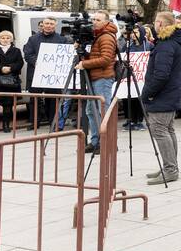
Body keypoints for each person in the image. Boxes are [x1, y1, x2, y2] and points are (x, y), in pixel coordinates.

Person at [142, 12, 181, 185]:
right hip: (170, 92)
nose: (154, 24)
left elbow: (161, 75)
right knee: (168, 130)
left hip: (163, 94)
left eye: (155, 22)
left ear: (161, 24)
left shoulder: (166, 45)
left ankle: (170, 169)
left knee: (160, 130)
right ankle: (171, 166)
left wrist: (147, 94)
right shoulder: (173, 42)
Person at [74, 11, 118, 155]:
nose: (94, 22)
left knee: (102, 111)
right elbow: (97, 56)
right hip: (96, 77)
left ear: (106, 22)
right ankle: (95, 141)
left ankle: (106, 142)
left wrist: (85, 64)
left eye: (98, 19)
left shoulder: (106, 37)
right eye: (93, 19)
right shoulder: (98, 35)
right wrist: (84, 55)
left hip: (103, 78)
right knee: (91, 111)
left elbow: (105, 59)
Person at [24, 17, 70, 126]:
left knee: (53, 99)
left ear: (55, 25)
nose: (49, 25)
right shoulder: (33, 39)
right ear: (42, 25)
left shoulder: (61, 40)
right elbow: (28, 54)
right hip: (36, 73)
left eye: (51, 24)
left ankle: (53, 122)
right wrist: (37, 63)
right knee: (34, 99)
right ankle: (34, 122)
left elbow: (64, 56)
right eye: (47, 23)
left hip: (53, 75)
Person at [0, 30, 23, 132]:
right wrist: (1, 69)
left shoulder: (16, 51)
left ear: (11, 39)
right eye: (3, 38)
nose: (5, 40)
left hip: (10, 82)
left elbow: (20, 63)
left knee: (8, 105)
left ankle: (6, 126)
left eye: (8, 38)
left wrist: (10, 68)